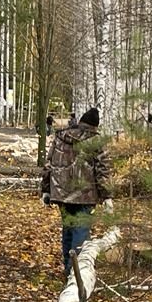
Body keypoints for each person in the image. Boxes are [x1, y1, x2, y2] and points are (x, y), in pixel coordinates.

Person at [41, 107, 113, 278]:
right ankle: (76, 275)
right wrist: (107, 196)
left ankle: (68, 269)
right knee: (80, 233)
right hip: (85, 196)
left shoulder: (60, 137)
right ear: (95, 126)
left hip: (61, 194)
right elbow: (102, 171)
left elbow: (48, 164)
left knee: (68, 230)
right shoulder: (96, 142)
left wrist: (45, 190)